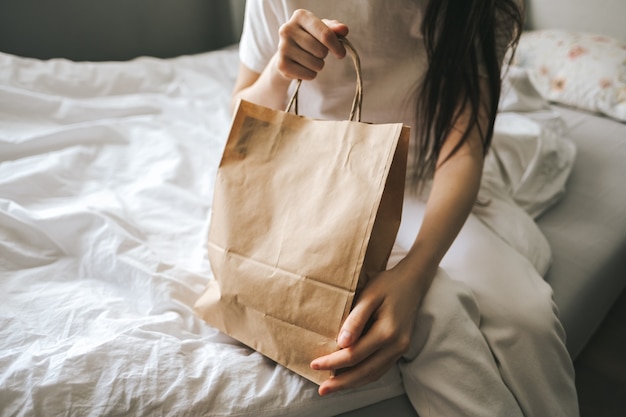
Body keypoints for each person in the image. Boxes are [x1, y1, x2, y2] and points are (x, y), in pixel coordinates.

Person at [232, 1, 579, 415]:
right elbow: (240, 121)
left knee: (527, 318)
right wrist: (278, 69)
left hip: (425, 179)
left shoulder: (480, 9)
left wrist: (415, 273)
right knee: (439, 314)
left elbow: (462, 150)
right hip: (318, 178)